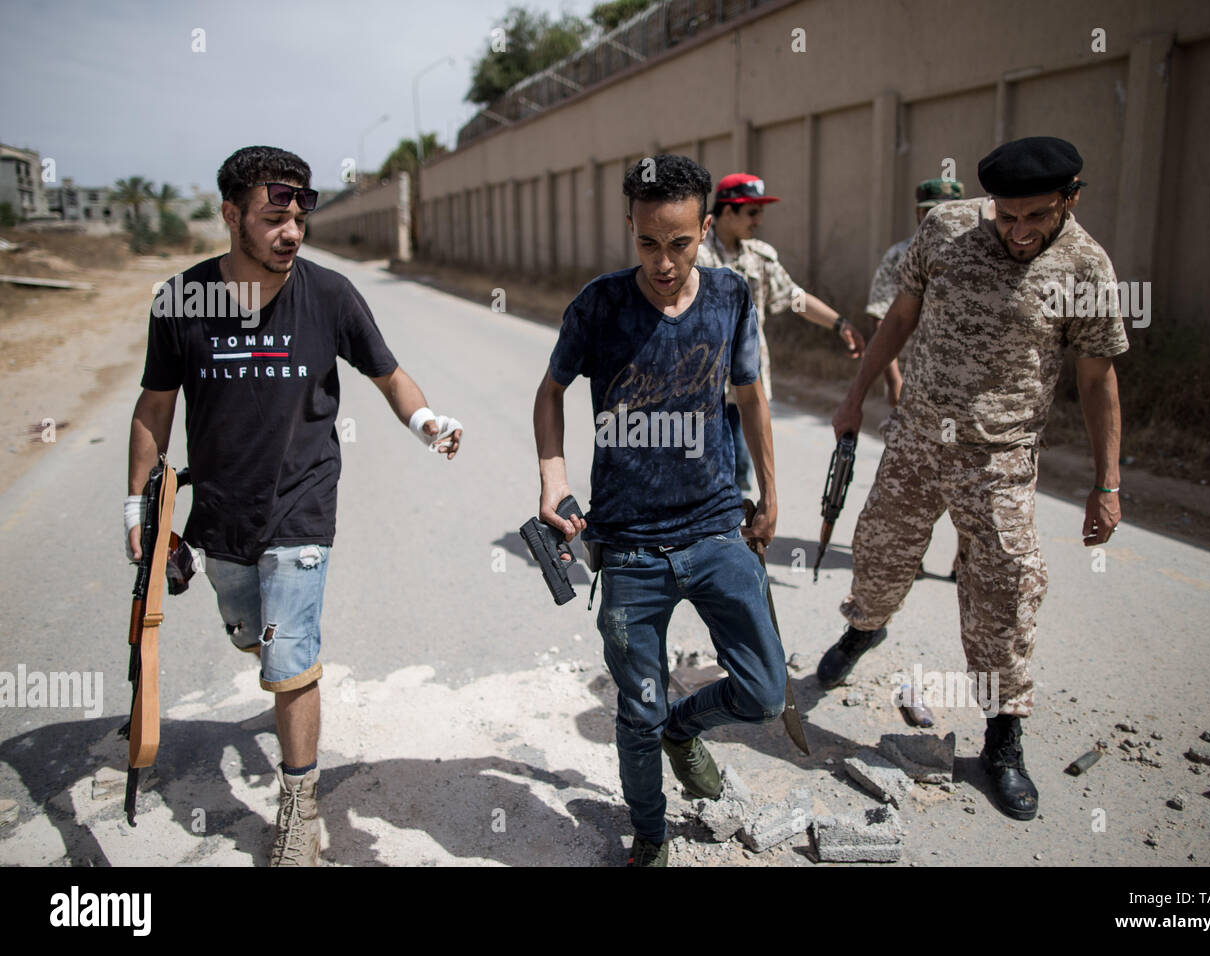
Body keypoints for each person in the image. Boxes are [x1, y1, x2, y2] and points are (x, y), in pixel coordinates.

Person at [125, 146, 462, 866]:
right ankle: (263, 651)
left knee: (290, 655)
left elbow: (389, 373)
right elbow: (155, 407)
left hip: (303, 505)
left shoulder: (331, 295)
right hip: (220, 515)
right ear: (231, 215)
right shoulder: (181, 300)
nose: (292, 231)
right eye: (274, 216)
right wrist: (136, 507)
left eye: (300, 216)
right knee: (249, 628)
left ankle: (299, 808)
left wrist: (426, 423)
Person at [816, 137, 1126, 821]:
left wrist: (1107, 483)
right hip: (918, 441)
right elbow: (901, 317)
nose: (1017, 233)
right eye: (1006, 217)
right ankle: (864, 628)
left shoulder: (1087, 267)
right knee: (878, 554)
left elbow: (1098, 376)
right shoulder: (947, 231)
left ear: (1070, 199)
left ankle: (1002, 741)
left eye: (1035, 218)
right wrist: (854, 395)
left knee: (1006, 592)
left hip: (1001, 461)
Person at [533, 154, 786, 866]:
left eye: (680, 243)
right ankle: (649, 833)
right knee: (636, 709)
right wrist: (553, 475)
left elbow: (752, 397)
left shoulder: (732, 296)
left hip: (713, 529)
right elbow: (549, 393)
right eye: (648, 242)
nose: (664, 261)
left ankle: (687, 729)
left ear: (706, 227)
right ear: (631, 228)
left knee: (765, 693)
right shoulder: (600, 305)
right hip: (631, 546)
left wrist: (769, 494)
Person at [694, 172, 865, 490]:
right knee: (697, 473)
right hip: (700, 387)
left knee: (741, 473)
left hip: (746, 387)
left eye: (761, 212)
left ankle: (738, 536)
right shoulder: (694, 252)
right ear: (728, 210)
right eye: (752, 212)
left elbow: (794, 299)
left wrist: (839, 324)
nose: (759, 220)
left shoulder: (760, 257)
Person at [865, 178, 964, 581]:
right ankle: (911, 555)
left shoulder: (982, 255)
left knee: (965, 475)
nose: (934, 218)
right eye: (928, 211)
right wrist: (892, 378)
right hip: (914, 384)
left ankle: (965, 559)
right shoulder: (900, 255)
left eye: (943, 209)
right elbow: (880, 317)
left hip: (964, 392)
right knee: (911, 474)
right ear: (917, 213)